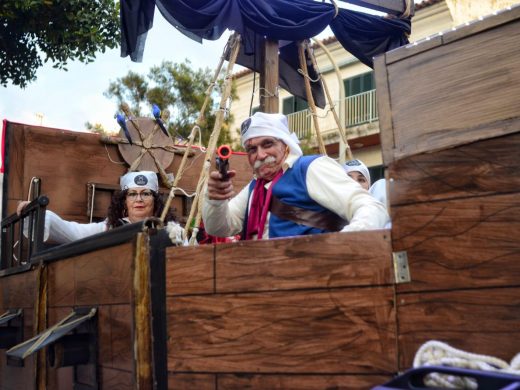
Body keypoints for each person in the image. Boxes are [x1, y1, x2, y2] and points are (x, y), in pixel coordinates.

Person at [202, 112, 389, 240]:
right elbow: (219, 228)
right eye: (252, 149)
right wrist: (215, 199)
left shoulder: (310, 168)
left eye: (267, 144)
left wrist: (338, 248)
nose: (259, 155)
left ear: (286, 145)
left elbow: (371, 208)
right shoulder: (254, 188)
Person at [17, 171, 177, 244]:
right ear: (124, 200)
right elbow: (72, 232)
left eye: (146, 193)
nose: (139, 199)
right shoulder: (110, 228)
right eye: (132, 194)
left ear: (155, 199)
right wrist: (35, 212)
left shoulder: (173, 231)